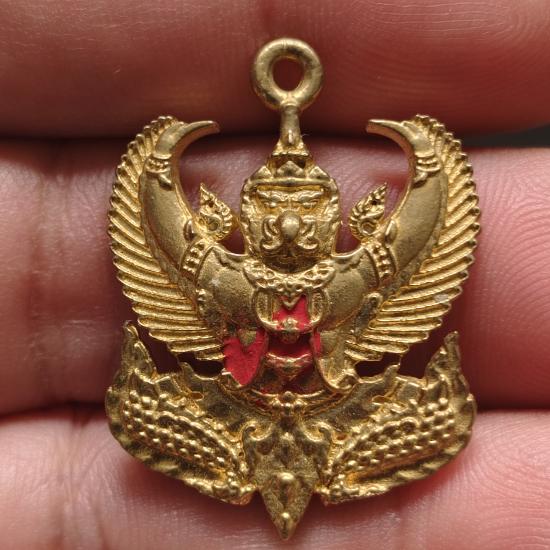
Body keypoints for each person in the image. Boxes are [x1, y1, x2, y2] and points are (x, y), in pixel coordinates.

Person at [0, 1, 549, 548]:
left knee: (431, 413)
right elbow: (168, 240)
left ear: (332, 217)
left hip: (341, 411)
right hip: (233, 412)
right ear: (247, 213)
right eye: (270, 208)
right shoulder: (225, 274)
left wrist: (428, 164)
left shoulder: (353, 276)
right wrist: (158, 166)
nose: (289, 223)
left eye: (308, 208)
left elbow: (413, 241)